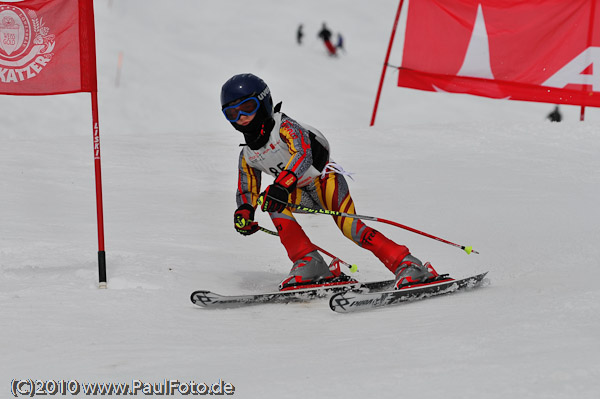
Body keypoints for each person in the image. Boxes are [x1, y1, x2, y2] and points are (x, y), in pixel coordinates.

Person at [221, 73, 439, 291]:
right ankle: (309, 262)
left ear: (264, 101)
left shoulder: (285, 127)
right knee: (270, 200)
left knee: (350, 227)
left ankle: (408, 264)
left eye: (247, 107)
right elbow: (247, 187)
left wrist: (281, 185)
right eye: (232, 113)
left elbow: (303, 154)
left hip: (325, 180)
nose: (241, 117)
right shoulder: (248, 155)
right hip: (299, 192)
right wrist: (245, 212)